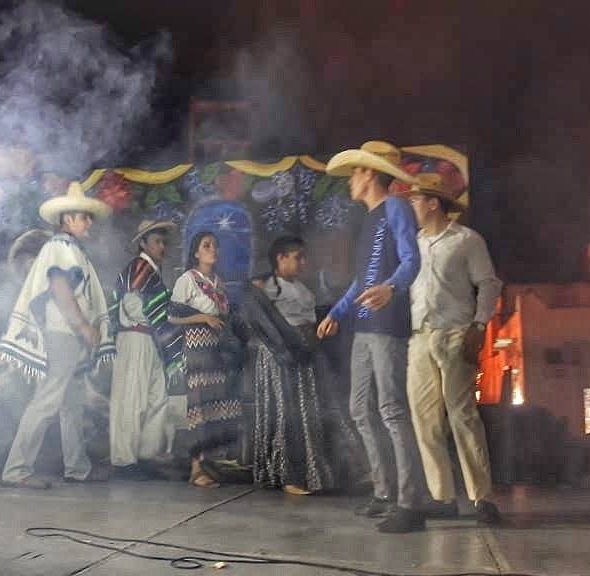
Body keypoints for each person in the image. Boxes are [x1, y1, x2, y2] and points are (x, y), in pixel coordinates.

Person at [317, 141, 425, 533]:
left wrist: (391, 289)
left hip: (387, 322)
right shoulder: (367, 220)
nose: (350, 181)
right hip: (364, 325)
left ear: (369, 174)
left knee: (392, 410)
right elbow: (362, 281)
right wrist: (337, 312)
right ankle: (384, 492)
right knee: (361, 409)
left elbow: (412, 259)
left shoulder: (396, 207)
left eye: (355, 173)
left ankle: (411, 504)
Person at [0, 182, 115, 489]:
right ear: (67, 220)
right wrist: (84, 326)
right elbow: (61, 289)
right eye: (83, 216)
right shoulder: (60, 248)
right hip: (62, 334)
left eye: (89, 217)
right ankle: (16, 470)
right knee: (48, 401)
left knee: (71, 403)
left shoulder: (71, 249)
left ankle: (78, 467)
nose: (88, 222)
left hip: (68, 336)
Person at [404, 173, 503, 524]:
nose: (411, 205)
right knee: (425, 418)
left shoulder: (466, 240)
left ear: (434, 203)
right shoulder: (412, 242)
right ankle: (442, 496)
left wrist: (479, 326)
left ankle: (481, 498)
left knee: (462, 416)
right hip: (419, 336)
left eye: (417, 200)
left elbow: (488, 284)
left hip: (455, 333)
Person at [246, 235, 337, 495]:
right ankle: (289, 476)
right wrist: (286, 348)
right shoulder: (265, 287)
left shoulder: (302, 288)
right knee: (286, 413)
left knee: (306, 414)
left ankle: (310, 472)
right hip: (281, 356)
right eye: (297, 257)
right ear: (281, 258)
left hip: (305, 354)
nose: (303, 263)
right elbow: (262, 324)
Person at [168, 231, 242, 488]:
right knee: (199, 406)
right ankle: (195, 468)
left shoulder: (218, 283)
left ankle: (212, 464)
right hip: (198, 348)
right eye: (206, 245)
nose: (212, 249)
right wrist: (202, 318)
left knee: (216, 405)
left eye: (215, 246)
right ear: (196, 253)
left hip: (217, 349)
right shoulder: (187, 279)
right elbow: (172, 316)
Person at [108, 220, 177, 477]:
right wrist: (165, 319)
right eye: (157, 241)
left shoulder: (152, 272)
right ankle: (124, 460)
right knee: (131, 398)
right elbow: (132, 307)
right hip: (134, 337)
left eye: (163, 242)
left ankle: (146, 455)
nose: (162, 247)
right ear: (143, 244)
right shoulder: (138, 268)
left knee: (157, 397)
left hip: (150, 339)